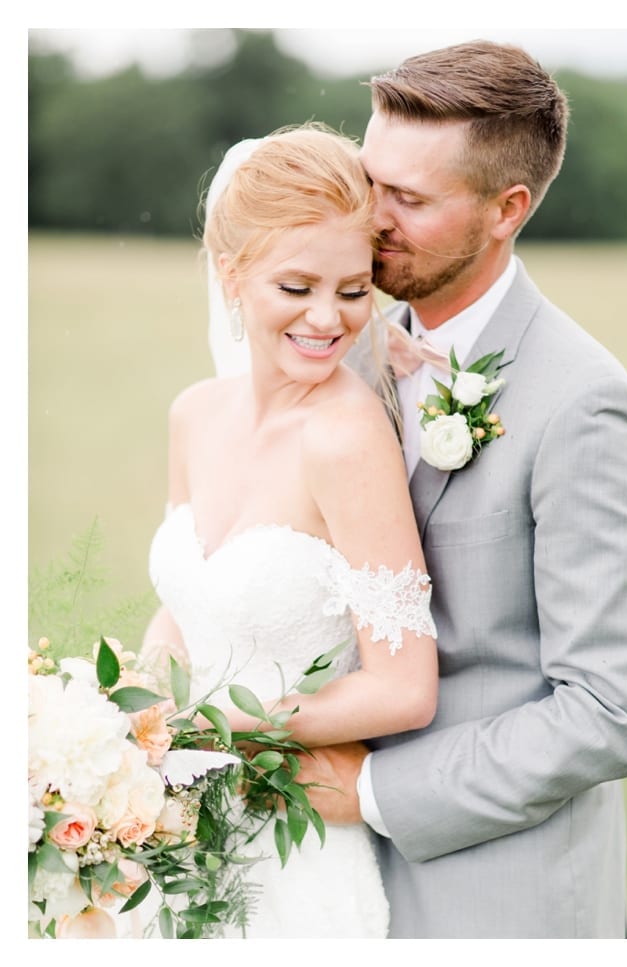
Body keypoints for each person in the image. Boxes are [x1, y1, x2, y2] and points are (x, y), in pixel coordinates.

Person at [295, 39, 627, 938]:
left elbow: (613, 710)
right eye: (368, 179)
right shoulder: (334, 347)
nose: (371, 218)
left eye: (411, 200)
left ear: (507, 209)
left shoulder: (584, 404)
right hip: (322, 884)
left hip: (501, 900)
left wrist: (378, 789)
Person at [144, 123, 440, 937]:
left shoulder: (345, 439)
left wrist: (217, 726)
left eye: (353, 291)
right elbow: (185, 601)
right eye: (297, 286)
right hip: (172, 830)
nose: (328, 319)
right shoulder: (194, 414)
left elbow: (404, 688)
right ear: (231, 274)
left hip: (293, 854)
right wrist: (126, 715)